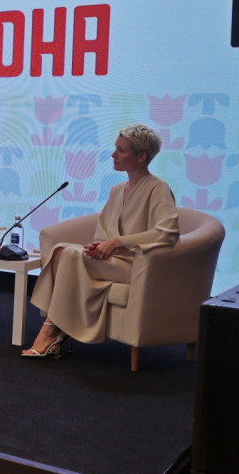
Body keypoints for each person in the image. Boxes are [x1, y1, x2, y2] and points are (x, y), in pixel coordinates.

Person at [22, 124, 179, 358]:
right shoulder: (117, 190)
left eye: (121, 150)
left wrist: (118, 243)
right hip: (112, 262)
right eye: (116, 148)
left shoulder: (158, 189)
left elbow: (168, 233)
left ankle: (51, 330)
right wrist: (98, 247)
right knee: (61, 250)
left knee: (68, 253)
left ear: (141, 156)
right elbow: (104, 229)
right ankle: (55, 328)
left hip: (137, 266)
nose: (113, 155)